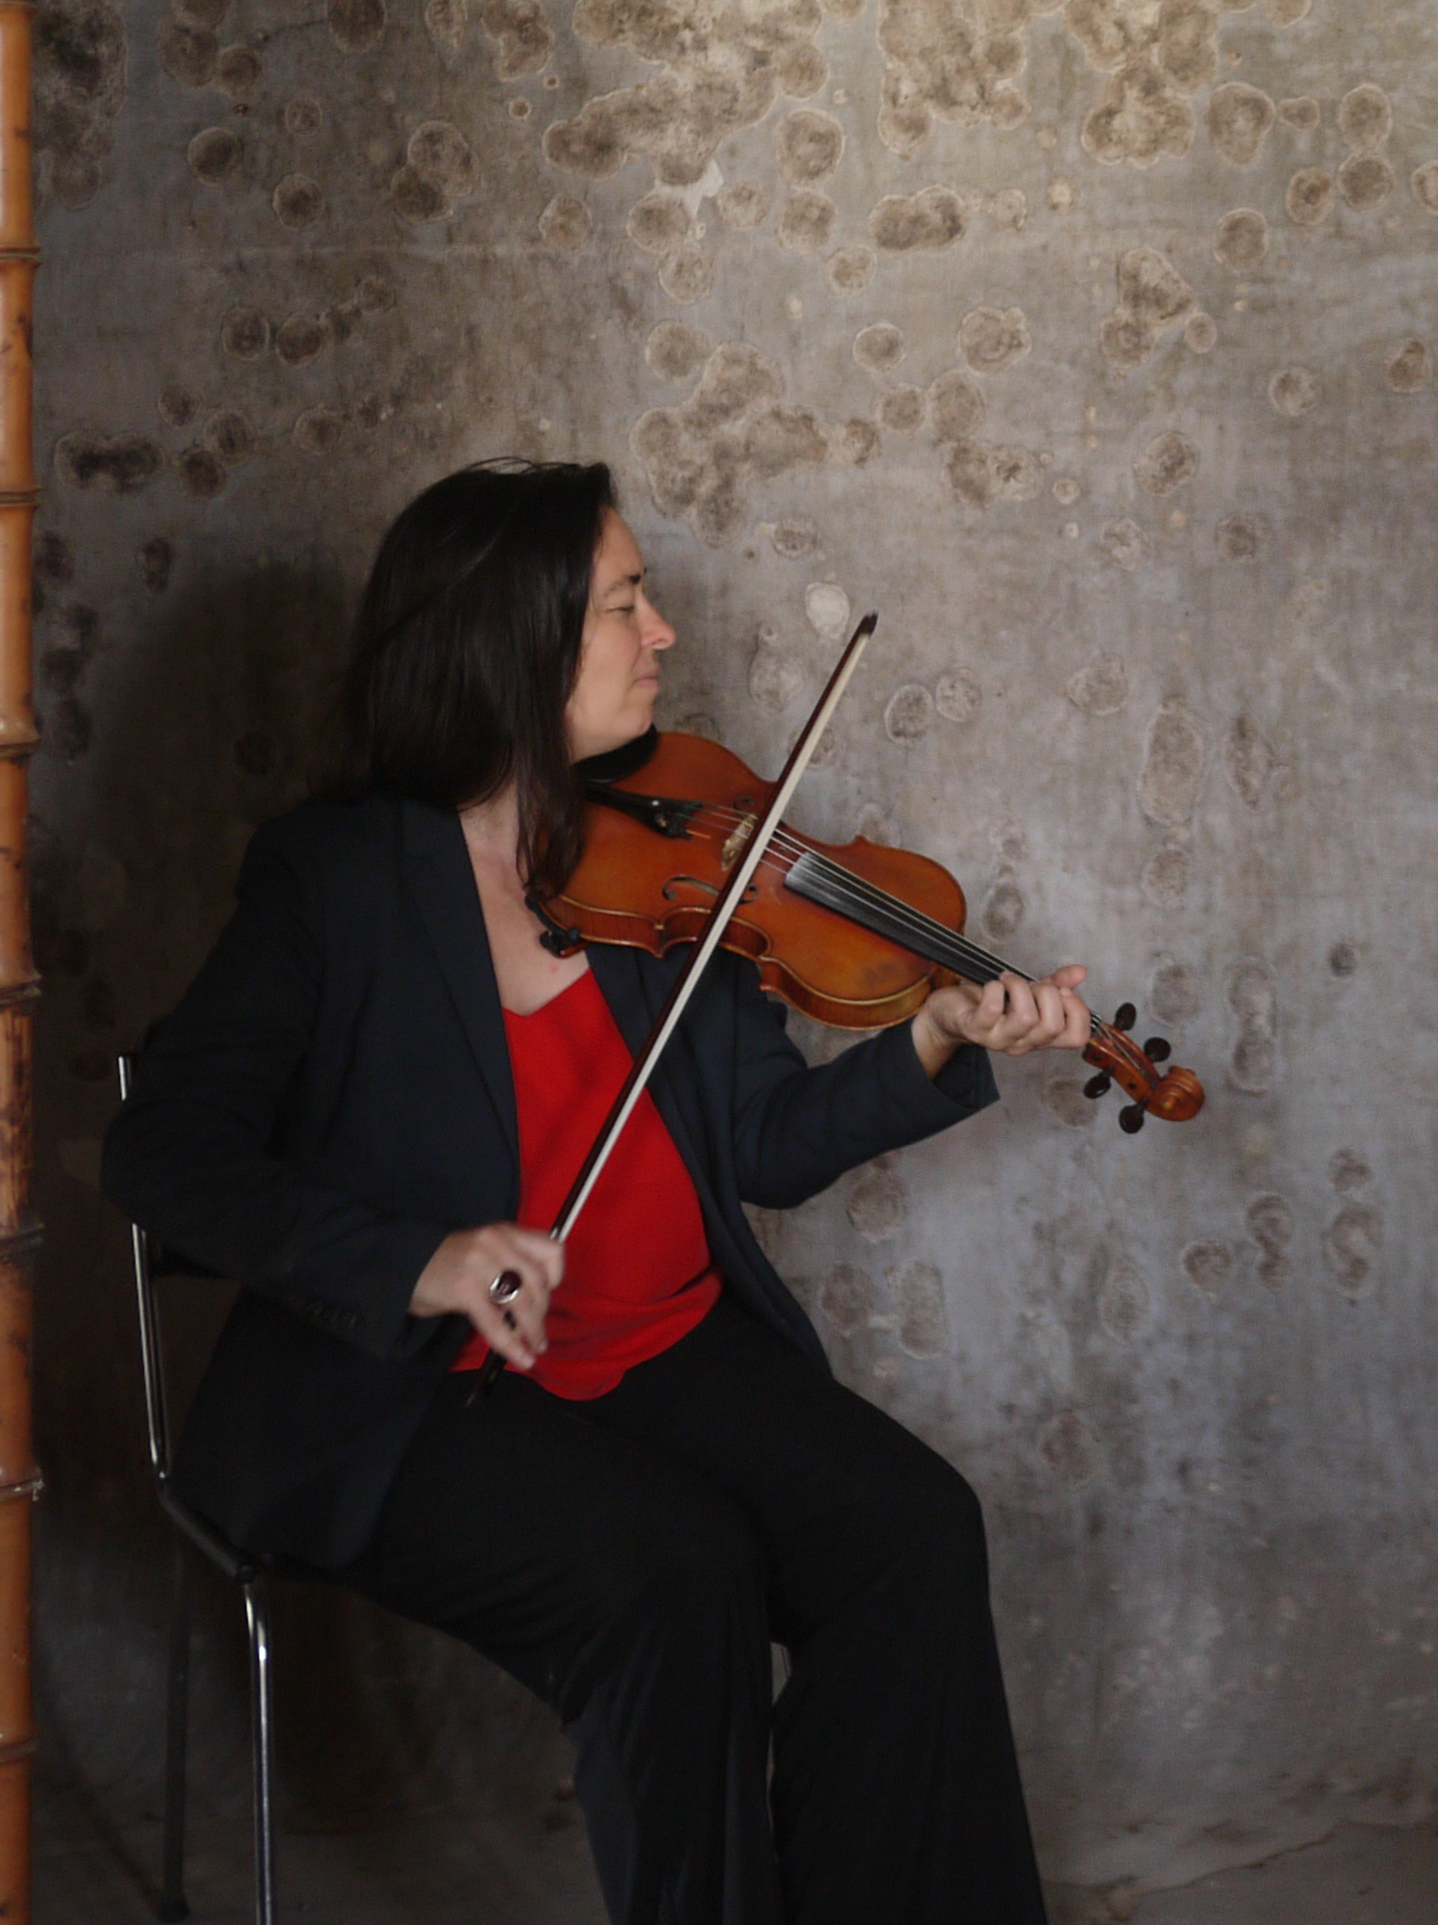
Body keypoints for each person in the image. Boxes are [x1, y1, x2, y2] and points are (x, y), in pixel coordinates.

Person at [106, 458, 1091, 1925]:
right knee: (671, 1579)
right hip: (422, 1391)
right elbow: (163, 1153)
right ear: (510, 637)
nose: (664, 634)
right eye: (624, 602)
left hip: (661, 1352)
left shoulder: (665, 856)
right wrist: (420, 1256)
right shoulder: (336, 882)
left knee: (913, 1529)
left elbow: (763, 1140)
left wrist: (932, 1036)